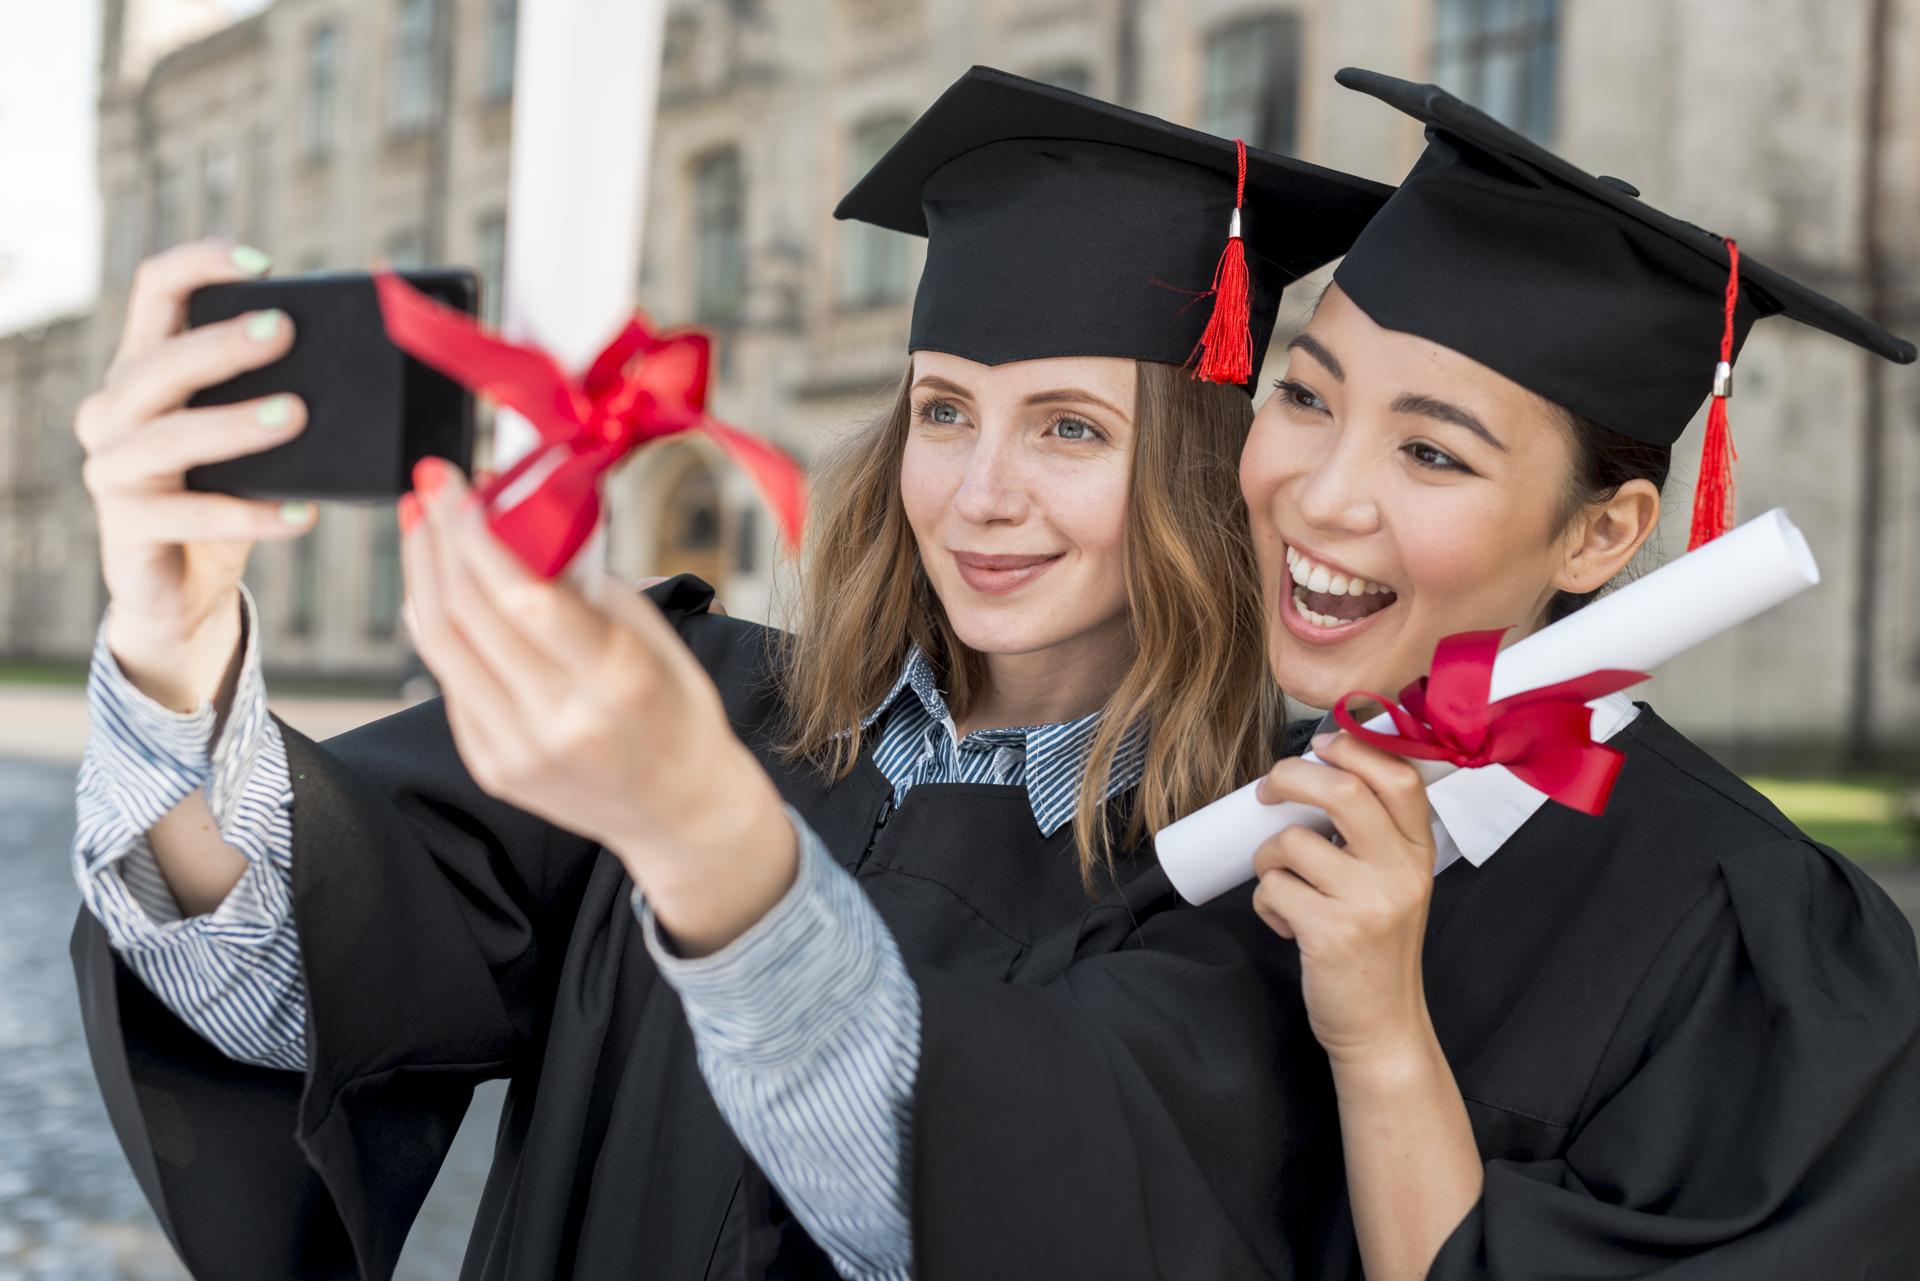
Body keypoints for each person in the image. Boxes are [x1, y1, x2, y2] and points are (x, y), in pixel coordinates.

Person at [69, 68, 1390, 1280]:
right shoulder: (697, 693)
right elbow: (281, 983)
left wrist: (695, 832)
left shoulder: (1252, 870)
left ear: (1201, 476)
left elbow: (994, 1218)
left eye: (1070, 428)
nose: (983, 495)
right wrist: (171, 641)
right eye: (944, 411)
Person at [1238, 69, 1920, 1281]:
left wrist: (1387, 1039)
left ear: (1601, 535)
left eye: (1432, 452)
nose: (1323, 494)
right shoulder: (1234, 809)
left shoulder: (1759, 945)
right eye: (1305, 394)